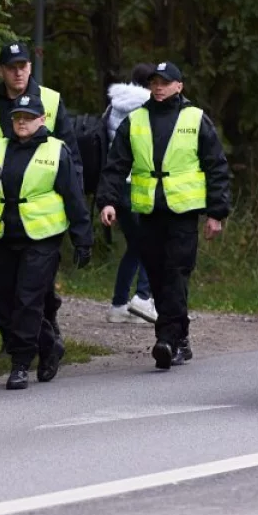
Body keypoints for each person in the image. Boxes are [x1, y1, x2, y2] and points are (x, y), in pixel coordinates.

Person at [95, 61, 231, 369]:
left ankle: (167, 341)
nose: (158, 87)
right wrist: (108, 201)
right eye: (154, 82)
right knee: (157, 276)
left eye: (165, 82)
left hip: (183, 214)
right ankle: (179, 338)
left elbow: (217, 166)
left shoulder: (195, 119)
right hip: (149, 212)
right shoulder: (136, 120)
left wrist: (216, 213)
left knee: (175, 273)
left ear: (179, 86)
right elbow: (116, 164)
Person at [0, 41, 81, 361]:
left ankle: (44, 334)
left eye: (23, 66)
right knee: (3, 285)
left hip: (40, 211)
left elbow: (70, 154)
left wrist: (74, 203)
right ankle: (21, 340)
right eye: (11, 67)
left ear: (30, 68)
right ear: (1, 71)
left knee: (37, 286)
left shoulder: (50, 100)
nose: (18, 72)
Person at [0, 93, 93, 388]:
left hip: (41, 237)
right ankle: (48, 345)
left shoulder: (57, 151)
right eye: (18, 117)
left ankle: (20, 363)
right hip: (2, 234)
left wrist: (83, 239)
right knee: (5, 304)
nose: (22, 123)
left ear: (42, 120)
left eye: (28, 117)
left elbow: (73, 197)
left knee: (28, 299)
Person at [105, 62, 155, 325]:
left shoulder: (115, 105)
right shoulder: (148, 107)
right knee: (150, 243)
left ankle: (118, 304)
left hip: (116, 185)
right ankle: (143, 300)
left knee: (135, 245)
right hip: (137, 184)